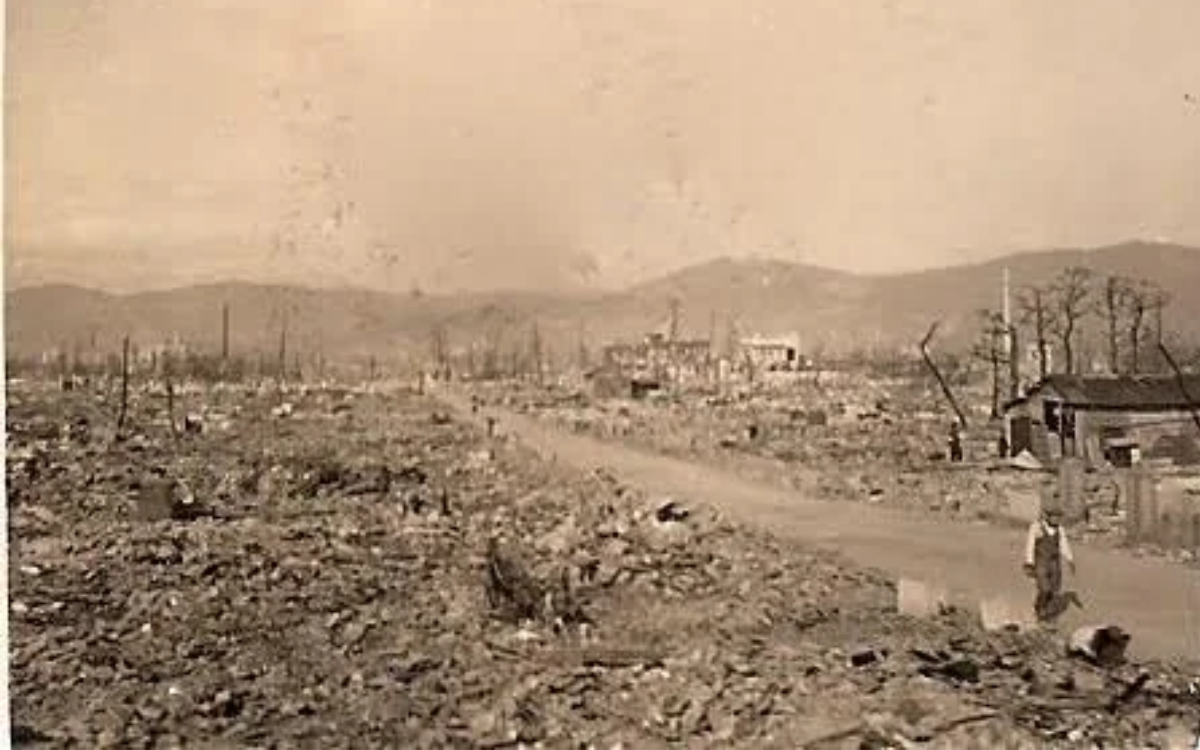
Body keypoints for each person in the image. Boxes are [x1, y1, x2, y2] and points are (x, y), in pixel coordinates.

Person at [1024, 505, 1076, 623]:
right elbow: (1030, 545)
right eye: (1054, 517)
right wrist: (1029, 562)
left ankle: (1048, 613)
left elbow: (1064, 545)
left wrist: (1070, 559)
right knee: (1044, 588)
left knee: (1054, 589)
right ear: (1048, 517)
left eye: (1059, 517)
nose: (1056, 520)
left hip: (1054, 562)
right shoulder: (1037, 527)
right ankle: (1039, 607)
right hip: (1041, 561)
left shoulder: (1060, 529)